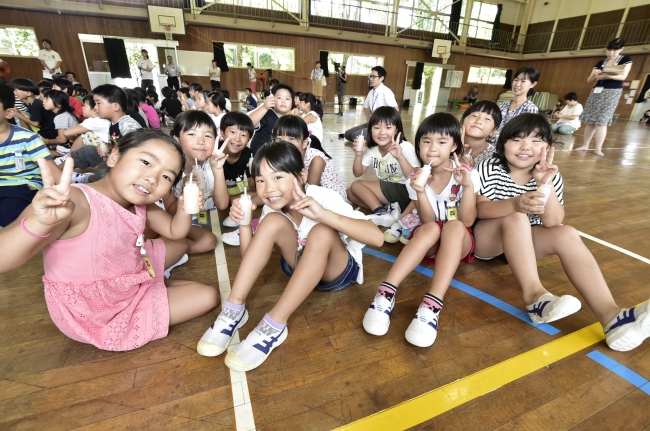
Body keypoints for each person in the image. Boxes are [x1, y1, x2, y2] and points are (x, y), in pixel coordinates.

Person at [0, 129, 220, 351]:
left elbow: (175, 231)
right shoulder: (76, 201)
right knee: (208, 295)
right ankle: (152, 286)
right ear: (114, 156)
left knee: (180, 246)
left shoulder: (141, 204)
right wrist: (39, 223)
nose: (152, 178)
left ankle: (150, 285)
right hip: (95, 311)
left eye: (166, 176)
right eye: (146, 162)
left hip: (124, 275)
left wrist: (184, 208)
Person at [196, 141, 383, 371]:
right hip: (297, 266)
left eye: (277, 177)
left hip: (337, 272)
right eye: (261, 180)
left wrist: (324, 215)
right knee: (273, 220)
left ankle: (274, 325)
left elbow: (377, 238)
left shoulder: (323, 196)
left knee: (322, 232)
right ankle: (234, 309)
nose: (268, 188)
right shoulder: (271, 207)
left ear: (301, 176)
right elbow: (250, 257)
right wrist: (244, 223)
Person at [474, 113, 650, 352]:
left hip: (522, 244)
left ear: (547, 147)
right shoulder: (487, 167)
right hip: (487, 241)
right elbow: (480, 210)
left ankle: (612, 317)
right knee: (516, 217)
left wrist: (544, 184)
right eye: (516, 139)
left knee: (567, 233)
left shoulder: (549, 174)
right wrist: (515, 204)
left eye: (536, 140)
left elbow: (553, 221)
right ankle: (535, 297)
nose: (526, 146)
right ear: (502, 143)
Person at [363, 113, 480, 347]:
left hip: (458, 242)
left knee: (455, 226)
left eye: (442, 142)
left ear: (454, 145)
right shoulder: (414, 178)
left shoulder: (468, 175)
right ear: (418, 145)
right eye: (426, 141)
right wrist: (420, 190)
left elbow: (467, 220)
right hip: (430, 239)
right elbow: (427, 219)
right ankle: (385, 294)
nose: (433, 148)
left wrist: (466, 187)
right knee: (430, 228)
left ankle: (431, 305)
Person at [0, 84, 61, 227]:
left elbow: (52, 170)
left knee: (10, 216)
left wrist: (70, 193)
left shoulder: (27, 138)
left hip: (22, 183)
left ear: (9, 113)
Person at [168, 111, 229, 254]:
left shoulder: (210, 165)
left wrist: (217, 169)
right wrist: (185, 187)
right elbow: (170, 211)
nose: (201, 141)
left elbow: (222, 204)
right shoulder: (170, 168)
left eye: (208, 135)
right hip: (175, 219)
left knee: (209, 241)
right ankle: (171, 250)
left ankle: (173, 250)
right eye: (191, 134)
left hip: (196, 221)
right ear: (176, 139)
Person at [348, 106, 418, 226]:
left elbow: (415, 178)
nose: (381, 132)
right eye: (376, 127)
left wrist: (400, 157)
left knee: (356, 185)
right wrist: (358, 155)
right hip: (389, 191)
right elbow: (357, 173)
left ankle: (381, 212)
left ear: (396, 130)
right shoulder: (373, 150)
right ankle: (389, 209)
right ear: (370, 130)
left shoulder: (405, 147)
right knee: (350, 193)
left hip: (405, 191)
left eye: (388, 127)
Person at [575, 38, 631, 156]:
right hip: (596, 91)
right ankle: (585, 145)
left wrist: (606, 76)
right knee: (590, 121)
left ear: (621, 49)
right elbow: (589, 80)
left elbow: (623, 77)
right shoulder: (601, 63)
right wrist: (595, 75)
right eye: (609, 50)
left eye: (615, 50)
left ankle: (598, 148)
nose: (611, 53)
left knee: (602, 121)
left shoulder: (625, 60)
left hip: (612, 92)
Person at [274, 115, 346, 200]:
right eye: (279, 138)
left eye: (291, 138)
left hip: (332, 199)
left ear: (304, 143)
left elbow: (310, 193)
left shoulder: (316, 160)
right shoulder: (283, 157)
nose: (284, 144)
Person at [344, 66, 399, 142]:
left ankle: (380, 139)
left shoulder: (386, 92)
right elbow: (366, 107)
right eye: (370, 76)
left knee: (354, 136)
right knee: (347, 134)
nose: (370, 79)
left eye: (373, 77)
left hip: (381, 125)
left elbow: (395, 109)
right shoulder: (371, 92)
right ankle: (372, 138)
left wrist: (386, 126)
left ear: (381, 78)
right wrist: (368, 119)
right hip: (373, 122)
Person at [248, 83, 295, 154]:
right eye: (279, 98)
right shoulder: (267, 113)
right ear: (272, 98)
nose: (283, 101)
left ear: (292, 102)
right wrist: (264, 107)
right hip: (260, 153)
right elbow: (249, 123)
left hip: (277, 154)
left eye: (287, 99)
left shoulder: (290, 119)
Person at [495, 66, 539, 140]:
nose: (517, 84)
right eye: (516, 80)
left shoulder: (530, 108)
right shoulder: (503, 105)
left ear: (533, 84)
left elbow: (525, 134)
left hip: (509, 145)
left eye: (523, 81)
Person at [459, 100, 502, 167]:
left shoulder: (494, 158)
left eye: (487, 119)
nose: (479, 121)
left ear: (493, 131)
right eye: (474, 115)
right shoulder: (447, 145)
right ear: (461, 122)